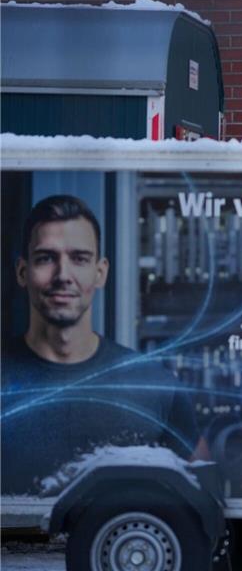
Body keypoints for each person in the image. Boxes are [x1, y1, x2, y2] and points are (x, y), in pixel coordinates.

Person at [1, 195, 208, 495]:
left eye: (80, 259)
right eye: (46, 258)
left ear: (100, 272)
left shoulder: (155, 388)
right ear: (23, 271)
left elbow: (205, 505)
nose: (63, 276)